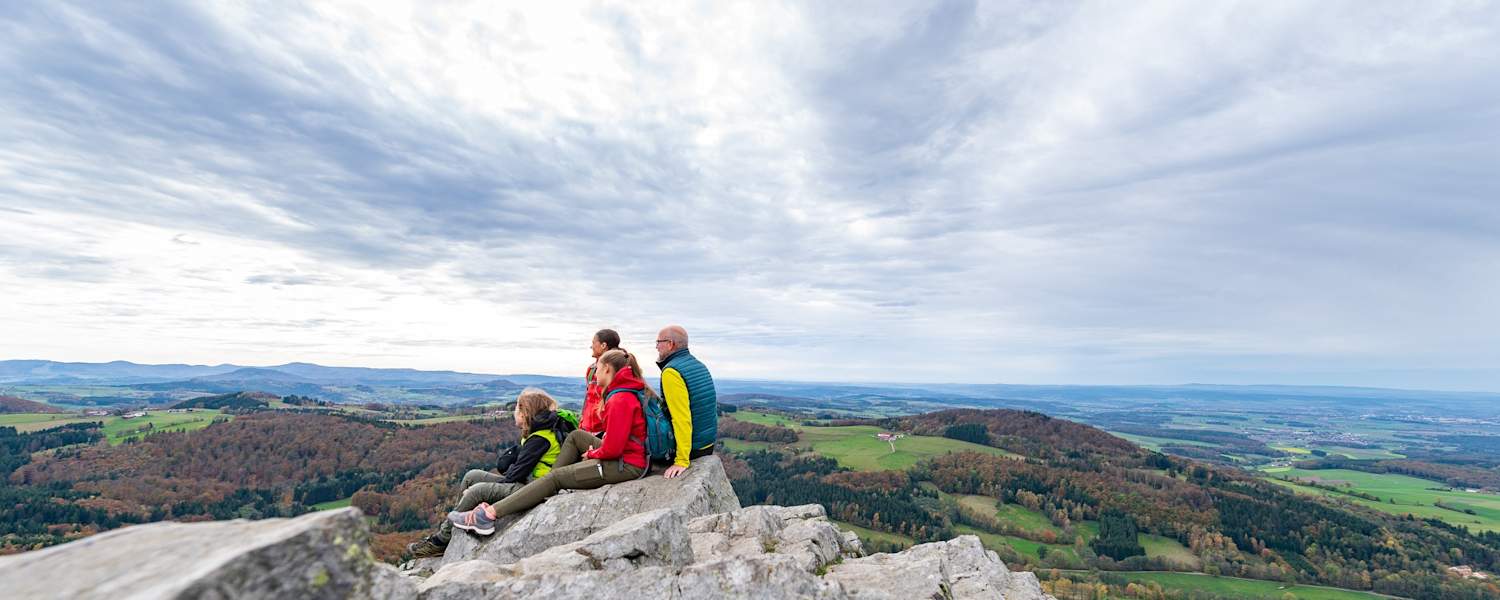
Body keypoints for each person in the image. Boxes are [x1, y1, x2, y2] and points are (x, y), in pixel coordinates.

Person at [446, 349, 649, 532]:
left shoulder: (619, 399)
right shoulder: (625, 391)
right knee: (576, 436)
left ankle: (487, 515)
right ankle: (547, 483)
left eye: (597, 370)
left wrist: (593, 454)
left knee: (555, 478)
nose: (594, 375)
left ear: (606, 369)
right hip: (627, 456)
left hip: (627, 465)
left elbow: (613, 450)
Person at [405, 388, 572, 558]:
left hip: (533, 489)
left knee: (476, 490)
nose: (514, 412)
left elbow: (515, 476)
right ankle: (455, 523)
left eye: (516, 409)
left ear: (525, 413)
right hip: (527, 482)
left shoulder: (539, 438)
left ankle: (441, 540)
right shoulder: (537, 434)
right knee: (472, 476)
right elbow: (513, 468)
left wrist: (484, 489)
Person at [654, 325, 717, 479]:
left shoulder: (672, 372)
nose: (656, 347)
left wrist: (681, 460)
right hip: (707, 443)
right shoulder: (698, 365)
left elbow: (681, 418)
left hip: (692, 449)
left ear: (670, 344)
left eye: (658, 342)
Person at [581, 328, 621, 435]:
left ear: (603, 345)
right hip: (589, 428)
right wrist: (582, 422)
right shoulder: (592, 369)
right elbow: (588, 397)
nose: (591, 346)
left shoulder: (619, 368)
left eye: (594, 343)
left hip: (605, 430)